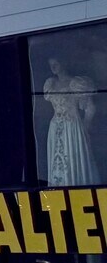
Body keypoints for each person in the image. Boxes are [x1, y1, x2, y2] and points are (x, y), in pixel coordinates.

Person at [43, 56, 99, 187]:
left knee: (73, 160)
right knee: (57, 164)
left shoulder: (76, 83)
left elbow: (91, 108)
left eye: (56, 63)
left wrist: (85, 127)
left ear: (64, 63)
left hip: (72, 127)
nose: (53, 67)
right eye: (51, 65)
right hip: (55, 128)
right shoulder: (50, 83)